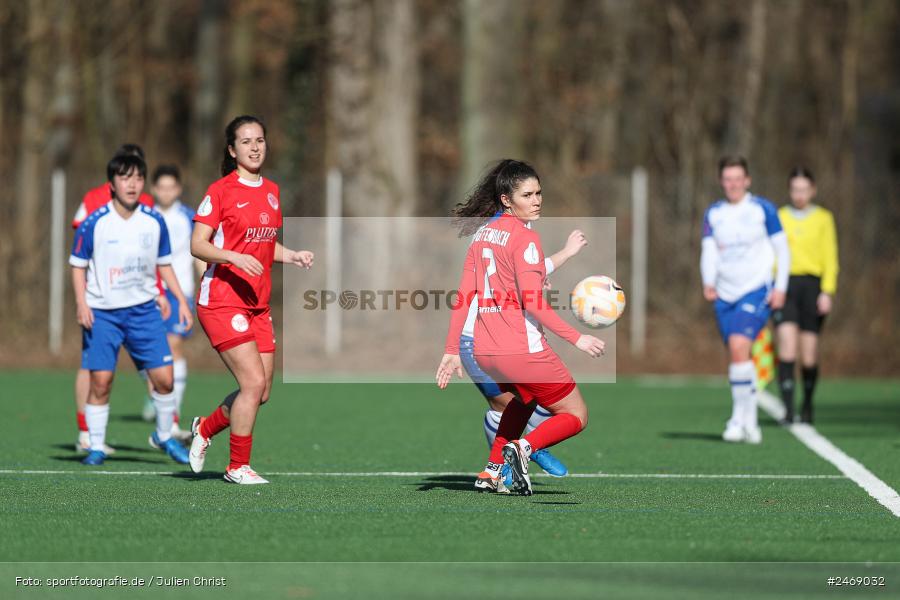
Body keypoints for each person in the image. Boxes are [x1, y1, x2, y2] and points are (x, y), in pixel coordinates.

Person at [437, 159, 605, 496]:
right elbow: (533, 301)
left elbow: (464, 296)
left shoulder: (482, 235)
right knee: (576, 414)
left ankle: (492, 470)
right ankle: (524, 449)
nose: (537, 200)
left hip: (485, 351)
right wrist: (576, 337)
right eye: (527, 195)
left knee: (523, 400)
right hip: (520, 350)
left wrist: (452, 349)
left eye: (538, 193)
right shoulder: (524, 239)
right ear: (506, 199)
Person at [188, 115, 314, 485]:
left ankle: (205, 428)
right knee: (252, 384)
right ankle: (236, 467)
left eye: (260, 139)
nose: (255, 147)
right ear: (232, 150)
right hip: (222, 301)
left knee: (262, 392)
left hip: (257, 304)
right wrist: (231, 257)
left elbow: (262, 243)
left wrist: (291, 255)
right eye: (245, 141)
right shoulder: (220, 191)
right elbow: (197, 244)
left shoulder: (272, 191)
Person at [70, 153, 193, 466]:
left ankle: (164, 436)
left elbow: (164, 264)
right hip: (103, 314)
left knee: (164, 379)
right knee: (101, 381)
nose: (132, 184)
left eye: (138, 178)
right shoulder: (94, 223)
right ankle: (96, 445)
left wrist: (178, 300)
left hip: (143, 313)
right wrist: (82, 303)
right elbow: (78, 266)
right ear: (112, 183)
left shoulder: (154, 221)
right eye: (125, 178)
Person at [700, 156, 790, 444]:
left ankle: (738, 419)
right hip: (725, 293)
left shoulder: (763, 209)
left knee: (740, 346)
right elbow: (709, 251)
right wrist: (708, 281)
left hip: (757, 289)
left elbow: (782, 249)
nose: (733, 184)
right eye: (728, 179)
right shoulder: (714, 214)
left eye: (738, 179)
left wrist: (781, 287)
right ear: (721, 181)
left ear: (747, 180)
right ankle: (751, 421)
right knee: (739, 355)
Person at [773, 167, 838, 424]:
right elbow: (771, 253)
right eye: (794, 189)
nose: (799, 195)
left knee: (808, 354)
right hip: (785, 286)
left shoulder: (823, 218)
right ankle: (788, 410)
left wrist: (827, 291)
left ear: (812, 190)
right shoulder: (779, 216)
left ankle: (808, 403)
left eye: (803, 189)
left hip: (812, 287)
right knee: (787, 347)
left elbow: (830, 258)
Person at [143, 165, 203, 442]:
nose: (166, 192)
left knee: (174, 345)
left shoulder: (189, 218)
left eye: (172, 187)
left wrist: (205, 283)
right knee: (151, 353)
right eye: (161, 187)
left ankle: (173, 415)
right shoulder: (145, 217)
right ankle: (159, 394)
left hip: (181, 293)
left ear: (178, 189)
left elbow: (200, 253)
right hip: (148, 293)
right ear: (154, 189)